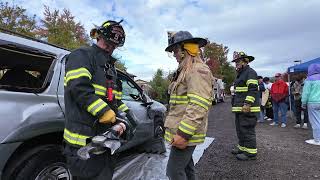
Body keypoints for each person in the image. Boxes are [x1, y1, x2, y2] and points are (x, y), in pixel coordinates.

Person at [63, 20, 131, 179]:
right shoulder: (82, 56)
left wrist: (127, 116)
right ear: (98, 36)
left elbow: (114, 99)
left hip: (105, 144)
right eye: (107, 43)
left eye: (113, 46)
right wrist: (103, 111)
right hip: (83, 145)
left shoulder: (110, 68)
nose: (110, 48)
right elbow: (79, 88)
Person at [164, 31, 213, 179]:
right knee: (186, 168)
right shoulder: (185, 71)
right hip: (181, 130)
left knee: (173, 171)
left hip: (186, 133)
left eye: (175, 51)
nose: (174, 55)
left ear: (185, 49)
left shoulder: (197, 69)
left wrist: (183, 134)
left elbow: (198, 105)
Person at [231, 51, 260, 161]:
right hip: (240, 108)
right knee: (240, 129)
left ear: (245, 61)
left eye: (238, 61)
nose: (236, 64)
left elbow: (252, 89)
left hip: (248, 108)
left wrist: (247, 103)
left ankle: (251, 153)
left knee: (247, 130)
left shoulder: (250, 72)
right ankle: (242, 148)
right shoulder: (241, 73)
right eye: (235, 62)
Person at [301, 63, 320, 145]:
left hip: (313, 102)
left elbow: (306, 93)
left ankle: (317, 140)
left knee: (315, 121)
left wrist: (303, 103)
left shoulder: (309, 79)